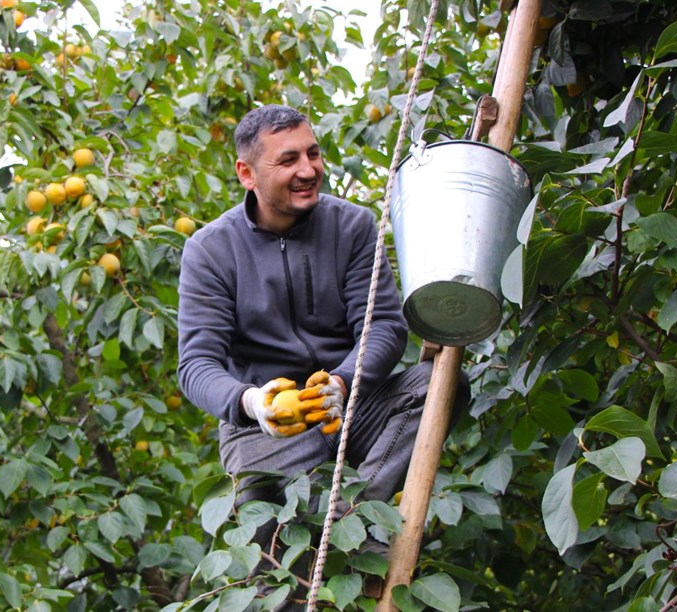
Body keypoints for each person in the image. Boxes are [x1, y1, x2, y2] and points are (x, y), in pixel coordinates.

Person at [176, 104, 468, 555]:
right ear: (247, 174)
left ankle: (350, 516)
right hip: (266, 434)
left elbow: (384, 326)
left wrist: (343, 382)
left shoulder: (352, 225)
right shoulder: (211, 250)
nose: (308, 169)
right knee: (275, 556)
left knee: (439, 383)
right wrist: (252, 403)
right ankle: (336, 547)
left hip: (352, 406)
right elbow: (196, 365)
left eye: (313, 154)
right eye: (288, 160)